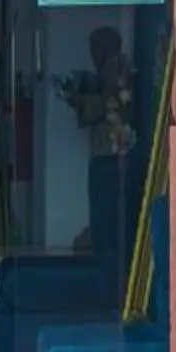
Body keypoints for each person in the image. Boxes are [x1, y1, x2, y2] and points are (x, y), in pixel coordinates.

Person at [56, 26, 136, 278]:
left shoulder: (118, 70)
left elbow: (105, 106)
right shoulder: (112, 70)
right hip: (110, 154)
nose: (92, 54)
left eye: (95, 48)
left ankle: (108, 275)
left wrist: (76, 98)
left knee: (106, 220)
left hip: (111, 156)